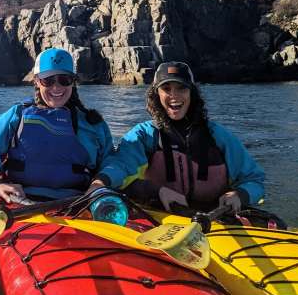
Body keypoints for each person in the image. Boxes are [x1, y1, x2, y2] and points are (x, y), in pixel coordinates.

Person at [0, 48, 116, 201]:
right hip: (21, 200)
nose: (56, 87)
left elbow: (112, 163)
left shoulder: (93, 124)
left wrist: (99, 184)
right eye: (48, 80)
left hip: (78, 202)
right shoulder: (17, 116)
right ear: (36, 81)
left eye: (64, 80)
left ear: (73, 82)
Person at [109, 61, 265, 213]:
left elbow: (254, 180)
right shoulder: (142, 136)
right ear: (156, 94)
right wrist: (156, 191)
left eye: (181, 88)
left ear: (192, 93)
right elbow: (118, 174)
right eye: (166, 88)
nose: (174, 95)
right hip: (157, 216)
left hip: (214, 217)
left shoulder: (218, 136)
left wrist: (240, 195)